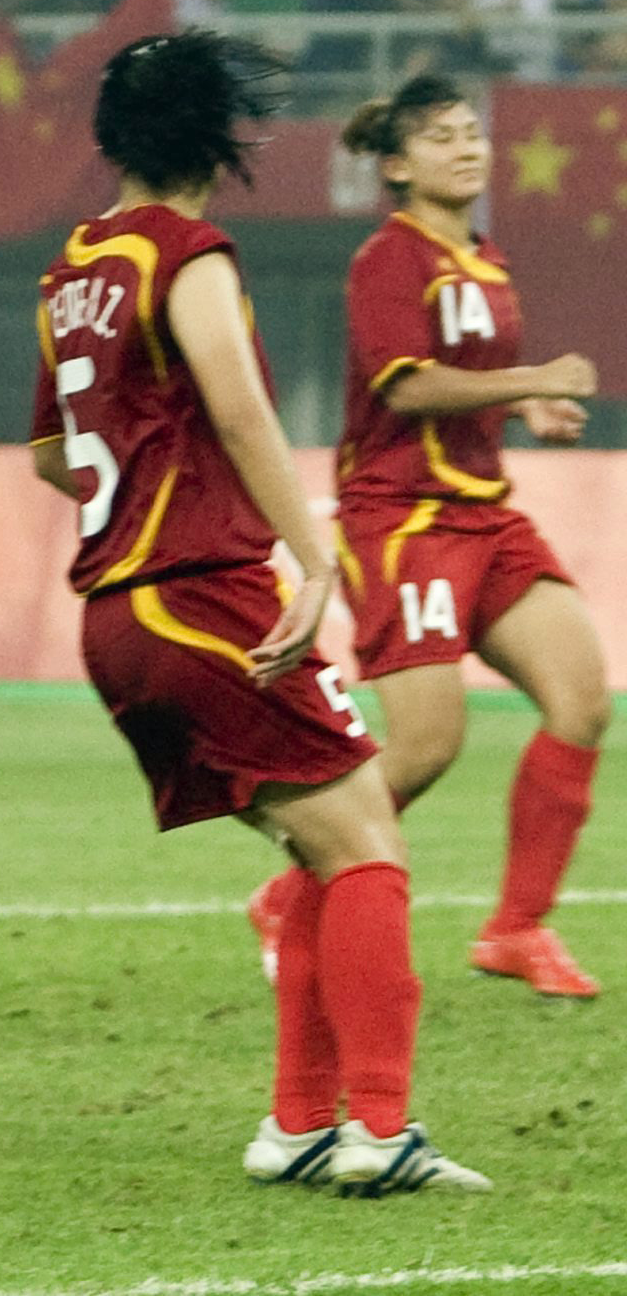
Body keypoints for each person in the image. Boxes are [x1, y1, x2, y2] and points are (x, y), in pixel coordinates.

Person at [30, 31, 489, 1195]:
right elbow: (237, 412)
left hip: (115, 619)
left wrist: (142, 475)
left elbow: (50, 454)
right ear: (218, 137)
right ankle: (379, 1133)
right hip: (202, 597)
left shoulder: (71, 267)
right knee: (367, 842)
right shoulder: (188, 255)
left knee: (321, 846)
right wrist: (313, 558)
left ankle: (297, 1124)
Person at [249, 75, 606, 999]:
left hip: (486, 513)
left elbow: (464, 384)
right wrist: (531, 373)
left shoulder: (485, 258)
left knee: (582, 702)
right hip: (402, 519)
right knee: (427, 745)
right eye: (442, 138)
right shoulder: (387, 260)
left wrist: (527, 404)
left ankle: (518, 928)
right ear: (399, 167)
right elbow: (405, 386)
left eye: (471, 133)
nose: (468, 148)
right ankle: (290, 890)